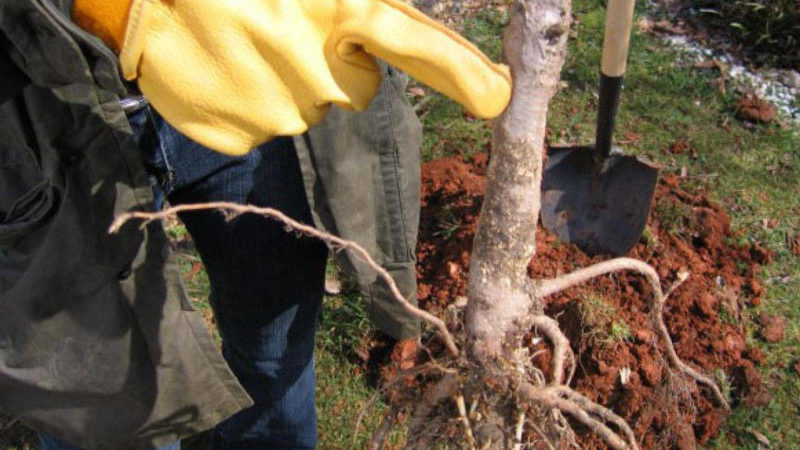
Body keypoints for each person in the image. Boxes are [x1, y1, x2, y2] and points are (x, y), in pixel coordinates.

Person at [0, 0, 510, 448]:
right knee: (107, 393)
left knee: (277, 322)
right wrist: (119, 11)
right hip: (42, 110)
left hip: (238, 65)